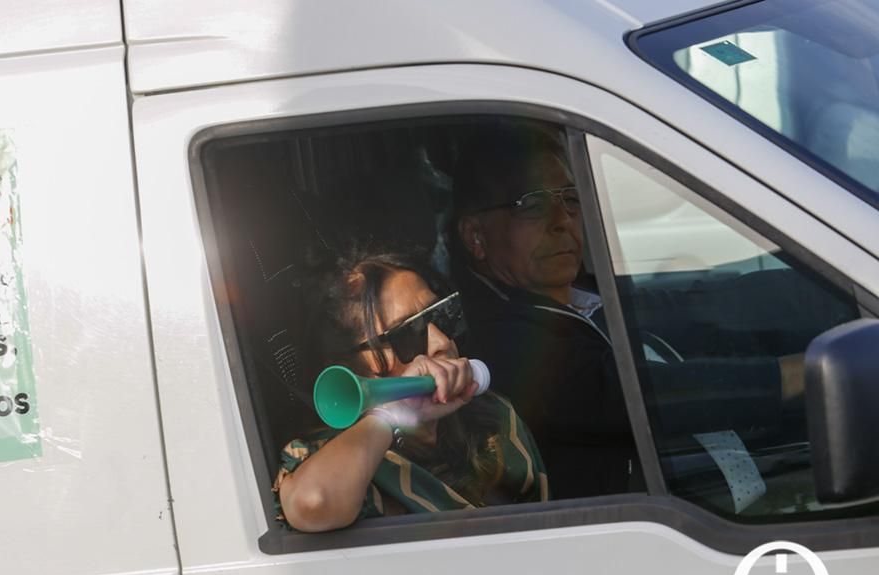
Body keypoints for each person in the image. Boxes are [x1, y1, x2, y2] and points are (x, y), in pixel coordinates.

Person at [449, 120, 806, 499]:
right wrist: (791, 376)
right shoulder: (495, 345)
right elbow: (632, 395)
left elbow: (694, 318)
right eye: (533, 205)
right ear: (476, 237)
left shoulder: (585, 295)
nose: (562, 221)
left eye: (570, 199)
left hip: (724, 487)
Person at [273, 248, 548, 533]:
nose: (441, 342)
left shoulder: (491, 416)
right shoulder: (328, 456)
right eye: (408, 333)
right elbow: (314, 502)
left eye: (441, 315)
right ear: (350, 365)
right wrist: (393, 415)